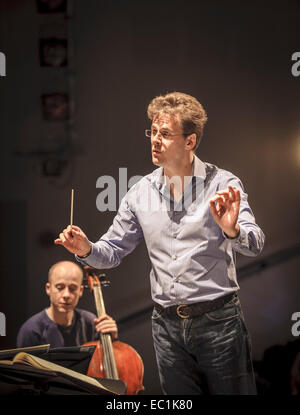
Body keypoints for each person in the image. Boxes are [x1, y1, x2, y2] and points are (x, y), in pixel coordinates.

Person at [54, 92, 265, 395]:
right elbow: (111, 251)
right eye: (153, 132)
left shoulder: (223, 184)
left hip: (218, 323)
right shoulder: (140, 192)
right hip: (166, 327)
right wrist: (86, 249)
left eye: (165, 134)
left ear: (190, 141)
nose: (155, 140)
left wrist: (232, 231)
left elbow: (255, 243)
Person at [17, 260, 118, 348]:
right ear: (48, 289)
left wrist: (113, 340)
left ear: (81, 291)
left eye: (73, 288)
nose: (66, 295)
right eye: (60, 287)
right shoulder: (32, 330)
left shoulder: (91, 323)